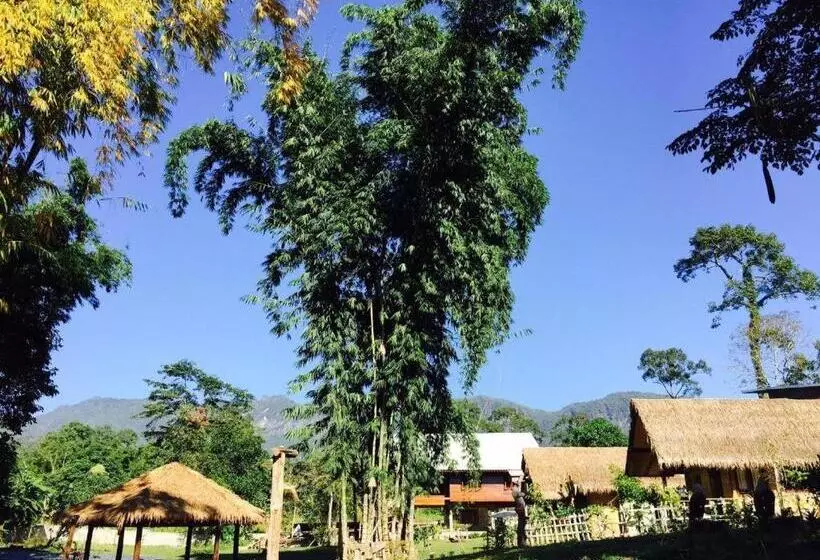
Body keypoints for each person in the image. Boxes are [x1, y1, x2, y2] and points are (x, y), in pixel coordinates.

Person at [512, 481, 527, 547]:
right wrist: (525, 486)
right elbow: (523, 494)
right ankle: (521, 542)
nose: (517, 486)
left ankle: (522, 542)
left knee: (522, 523)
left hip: (521, 508)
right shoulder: (515, 491)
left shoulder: (516, 491)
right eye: (516, 485)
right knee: (521, 524)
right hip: (520, 508)